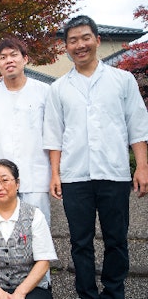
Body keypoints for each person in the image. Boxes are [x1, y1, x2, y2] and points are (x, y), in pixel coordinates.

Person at [43, 15, 148, 299]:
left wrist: (142, 167)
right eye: (73, 40)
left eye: (85, 38)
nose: (80, 45)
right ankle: (86, 294)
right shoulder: (58, 88)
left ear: (98, 40)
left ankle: (114, 292)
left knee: (117, 240)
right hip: (75, 176)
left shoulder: (122, 80)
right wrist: (55, 173)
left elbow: (137, 125)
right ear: (66, 46)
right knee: (80, 242)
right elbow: (54, 135)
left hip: (114, 173)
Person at [0, 38, 51, 226]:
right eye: (3, 57)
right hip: (1, 179)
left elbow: (53, 134)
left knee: (38, 231)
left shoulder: (44, 92)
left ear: (25, 59)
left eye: (13, 55)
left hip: (36, 174)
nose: (9, 60)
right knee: (3, 232)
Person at [0, 159, 57, 299]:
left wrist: (21, 292)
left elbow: (44, 261)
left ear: (17, 183)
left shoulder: (34, 215)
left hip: (32, 287)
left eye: (5, 180)